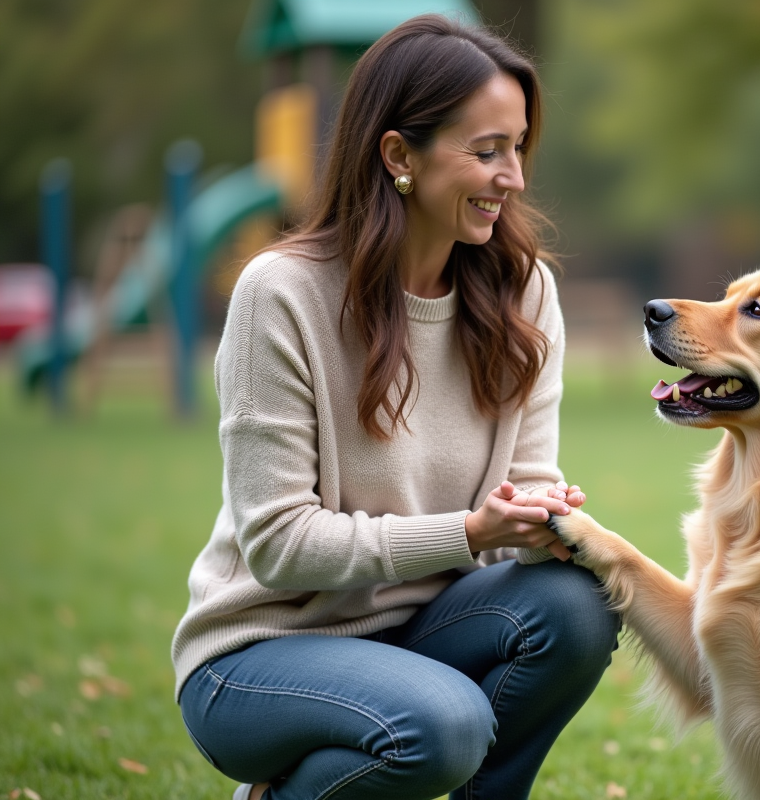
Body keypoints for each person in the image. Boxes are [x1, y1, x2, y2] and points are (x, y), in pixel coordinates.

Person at [171, 15, 620, 800]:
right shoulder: (281, 295)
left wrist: (539, 519)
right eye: (486, 152)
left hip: (425, 630)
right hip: (259, 652)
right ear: (398, 157)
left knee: (579, 603)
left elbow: (521, 487)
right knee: (442, 723)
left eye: (518, 148)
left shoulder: (524, 292)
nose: (512, 177)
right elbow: (277, 544)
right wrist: (470, 532)